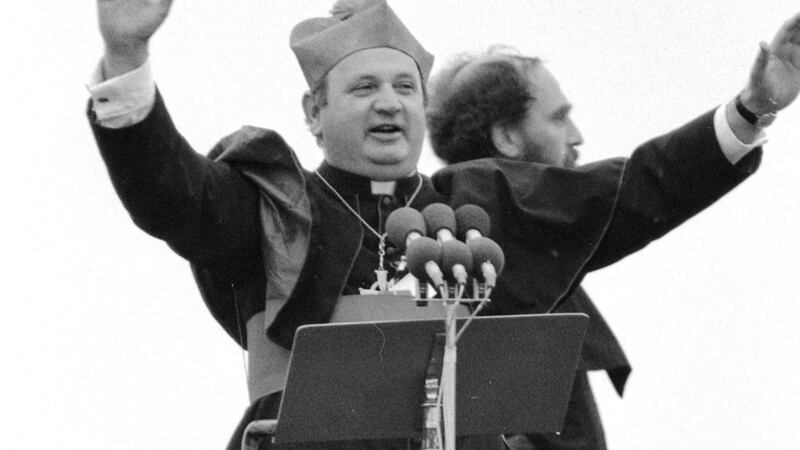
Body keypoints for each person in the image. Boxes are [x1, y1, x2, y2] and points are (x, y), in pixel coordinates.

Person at [86, 0, 800, 447]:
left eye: (405, 87)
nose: (389, 103)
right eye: (364, 88)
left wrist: (752, 107)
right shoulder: (272, 201)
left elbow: (634, 189)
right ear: (314, 113)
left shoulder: (483, 203)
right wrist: (127, 55)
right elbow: (169, 192)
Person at [425, 48, 622, 449]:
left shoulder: (464, 248)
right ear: (507, 137)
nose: (576, 136)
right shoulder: (488, 260)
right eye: (558, 118)